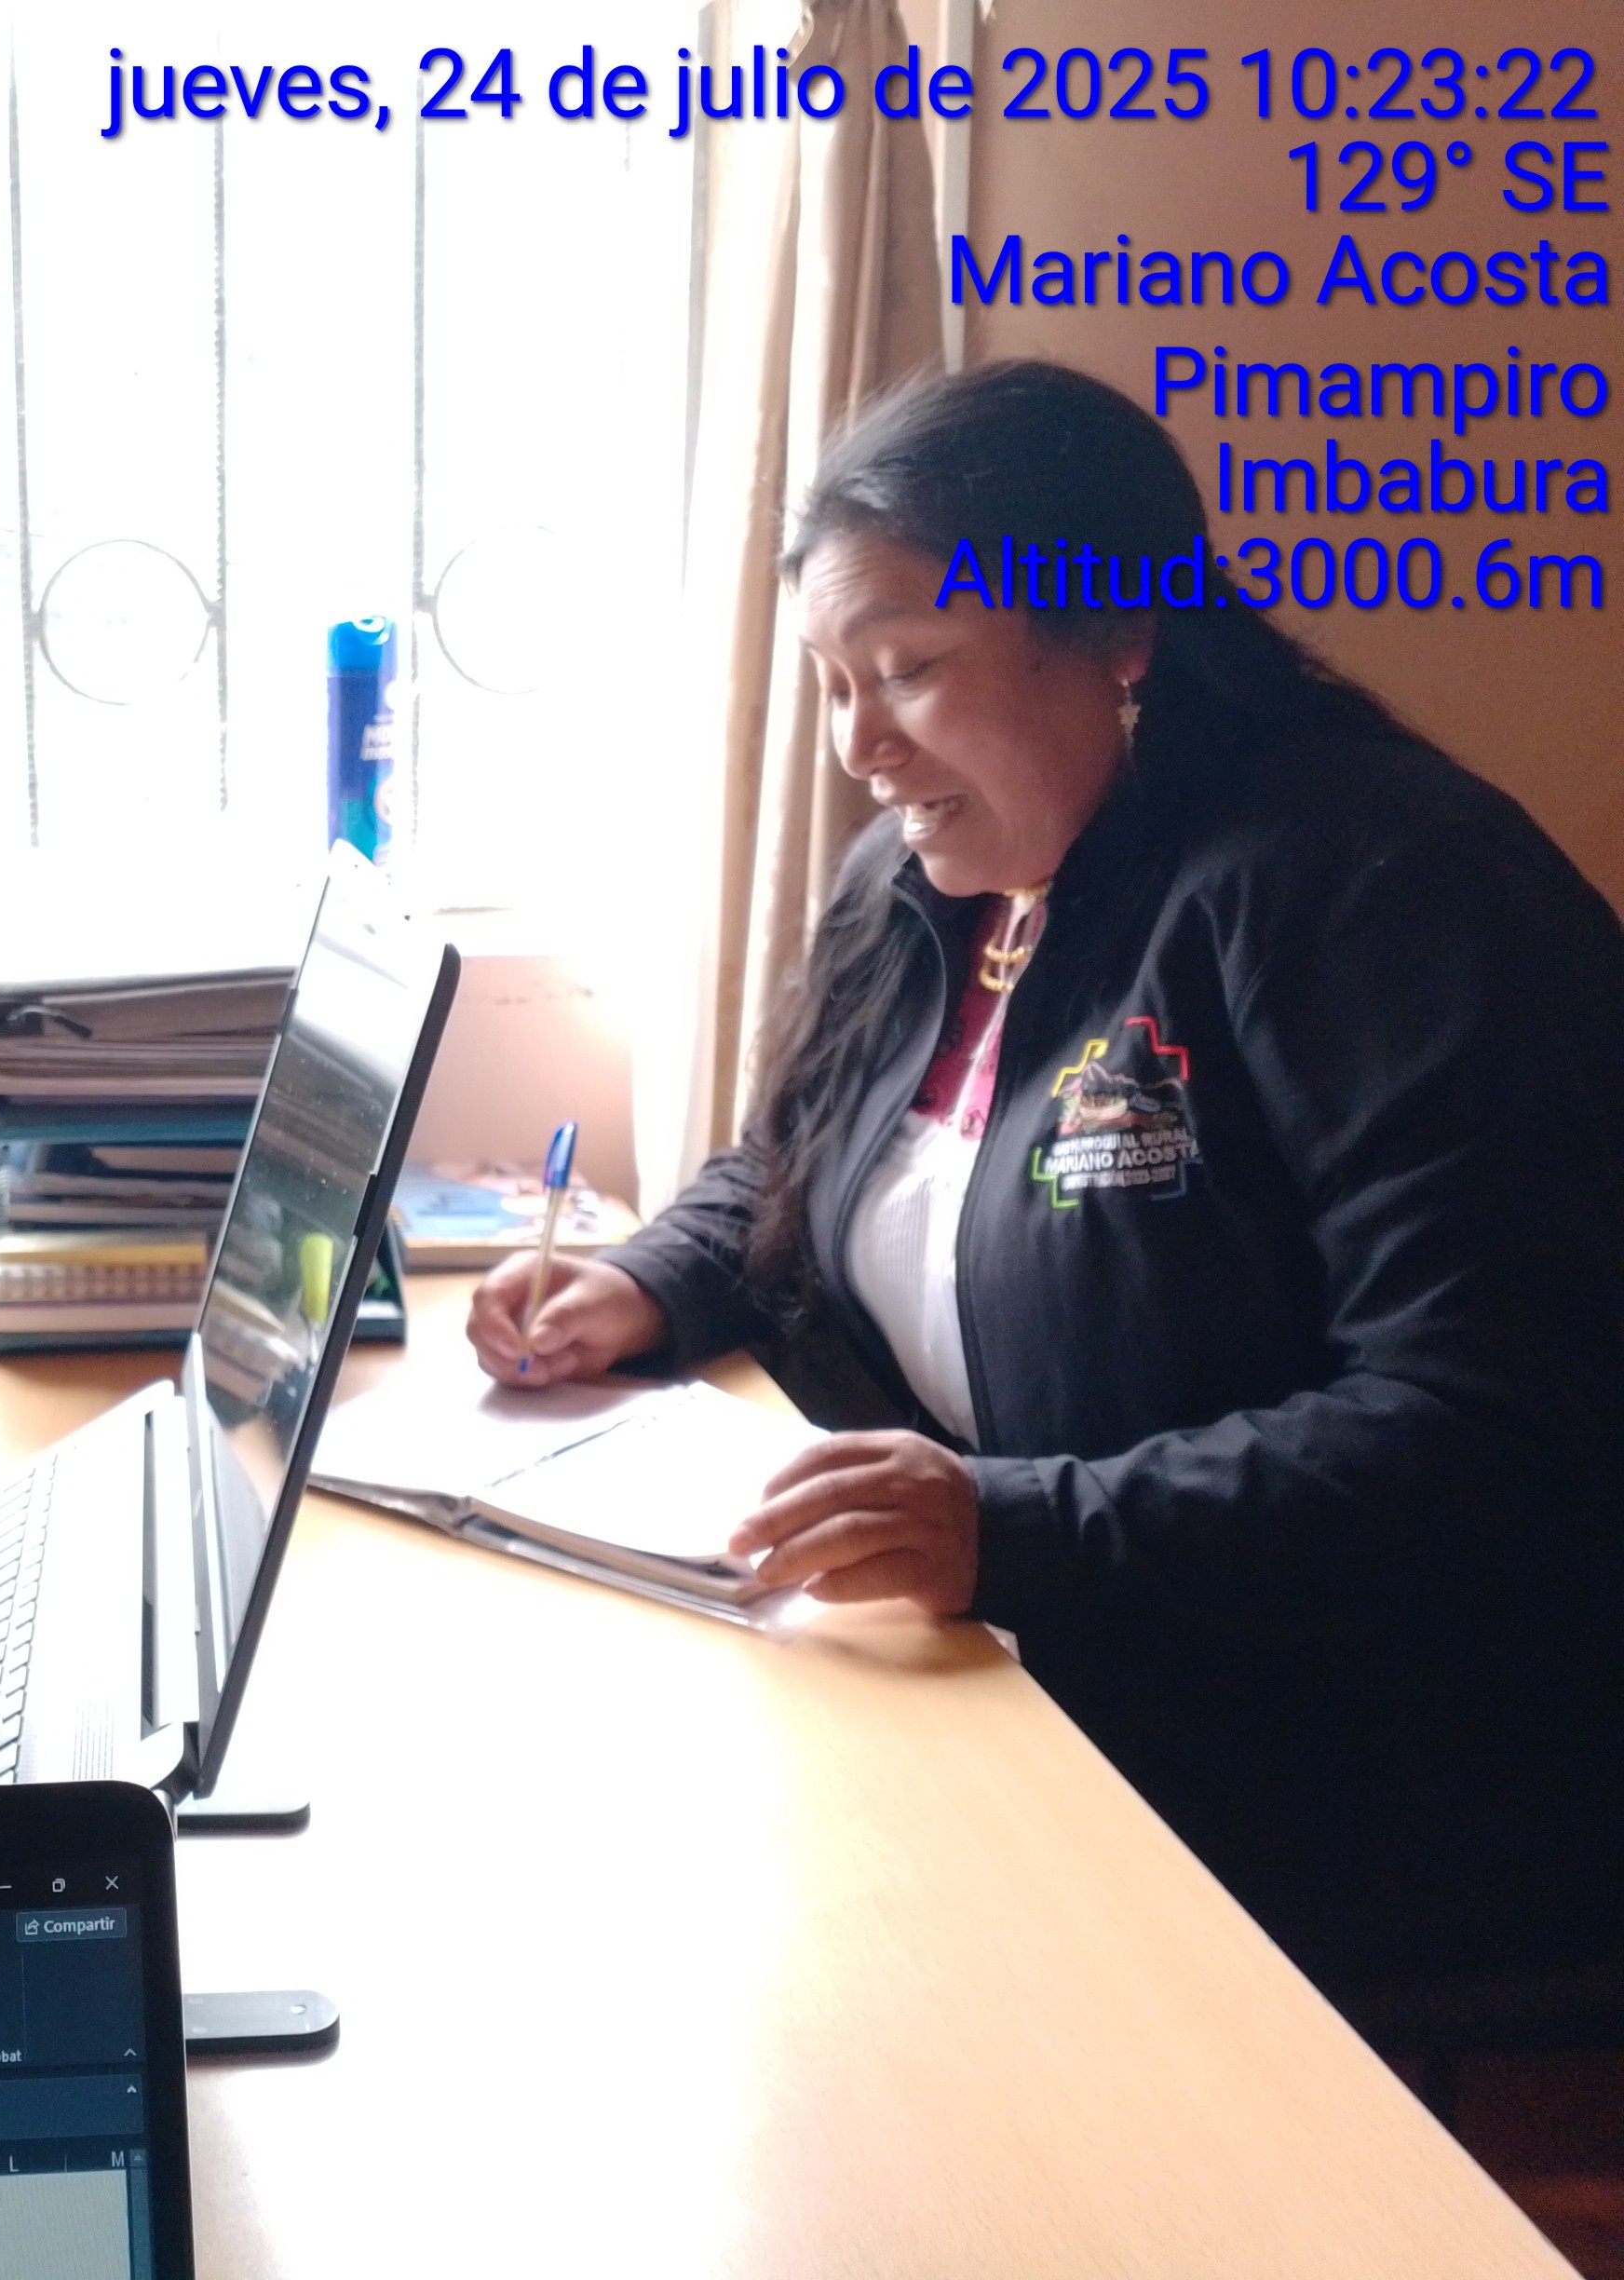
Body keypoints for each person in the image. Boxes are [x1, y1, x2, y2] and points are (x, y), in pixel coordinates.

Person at [469, 360, 1624, 1989]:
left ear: (1121, 632)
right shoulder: (931, 869)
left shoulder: (1379, 887)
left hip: (1338, 1757)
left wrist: (1015, 1531)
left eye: (910, 671)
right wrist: (643, 1280)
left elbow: (1491, 1425)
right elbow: (805, 1154)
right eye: (834, 685)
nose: (862, 746)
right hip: (1028, 1671)